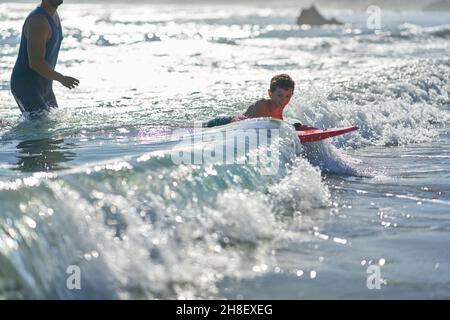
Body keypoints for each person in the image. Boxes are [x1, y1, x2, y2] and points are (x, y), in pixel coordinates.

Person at [10, 0, 79, 116]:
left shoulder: (54, 16)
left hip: (45, 86)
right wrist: (62, 78)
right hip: (26, 86)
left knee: (50, 125)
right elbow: (36, 63)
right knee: (39, 127)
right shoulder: (38, 21)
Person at [204, 74, 313, 130]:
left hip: (234, 126)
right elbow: (257, 128)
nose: (284, 100)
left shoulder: (279, 109)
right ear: (270, 93)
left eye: (287, 96)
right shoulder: (261, 105)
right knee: (200, 128)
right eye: (280, 95)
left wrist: (296, 127)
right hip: (223, 122)